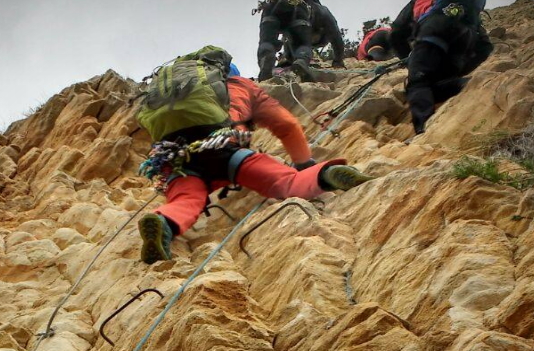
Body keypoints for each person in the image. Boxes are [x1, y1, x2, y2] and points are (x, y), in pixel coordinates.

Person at [138, 56, 376, 264]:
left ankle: (164, 224)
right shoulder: (243, 87)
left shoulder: (174, 96)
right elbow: (286, 125)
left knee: (186, 199)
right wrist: (304, 163)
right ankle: (326, 174)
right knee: (287, 182)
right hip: (224, 148)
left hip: (175, 157)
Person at [389, 0, 494, 134]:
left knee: (418, 83)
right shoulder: (470, 13)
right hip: (463, 42)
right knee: (436, 87)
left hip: (433, 32)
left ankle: (424, 131)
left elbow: (396, 32)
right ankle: (468, 85)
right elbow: (485, 47)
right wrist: (462, 67)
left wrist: (409, 60)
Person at [254, 0, 344, 81]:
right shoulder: (319, 9)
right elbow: (336, 37)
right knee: (302, 45)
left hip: (270, 7)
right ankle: (301, 60)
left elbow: (288, 50)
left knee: (266, 42)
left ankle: (266, 58)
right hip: (297, 9)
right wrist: (338, 60)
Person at [278, 2, 347, 74]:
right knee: (293, 48)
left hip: (316, 21)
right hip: (296, 25)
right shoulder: (292, 18)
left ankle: (302, 57)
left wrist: (338, 60)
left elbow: (337, 39)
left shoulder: (323, 15)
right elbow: (287, 42)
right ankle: (299, 59)